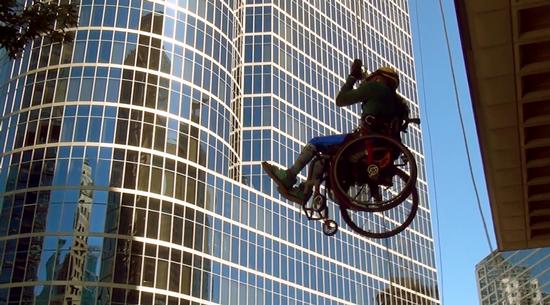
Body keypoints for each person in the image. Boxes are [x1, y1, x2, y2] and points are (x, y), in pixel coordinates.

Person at [262, 59, 409, 205]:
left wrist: (352, 77)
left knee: (315, 142)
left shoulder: (375, 88)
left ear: (378, 78)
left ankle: (290, 176)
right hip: (383, 146)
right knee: (323, 159)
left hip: (363, 141)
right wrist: (363, 77)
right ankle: (306, 190)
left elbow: (341, 100)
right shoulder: (396, 103)